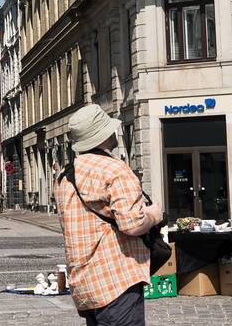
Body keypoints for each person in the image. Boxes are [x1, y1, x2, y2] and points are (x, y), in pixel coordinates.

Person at [54, 104, 164, 326]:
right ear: (103, 135)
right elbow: (132, 224)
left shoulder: (66, 175)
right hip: (116, 278)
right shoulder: (115, 170)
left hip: (86, 283)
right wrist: (154, 215)